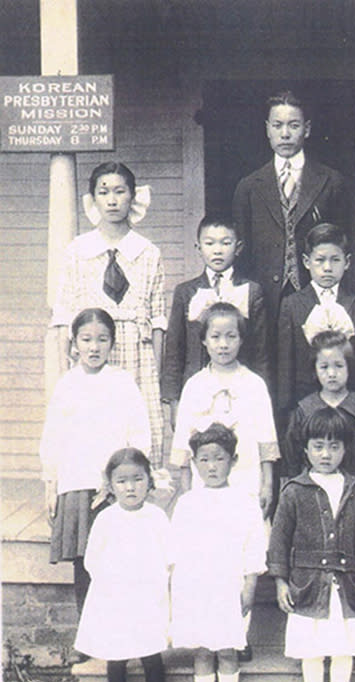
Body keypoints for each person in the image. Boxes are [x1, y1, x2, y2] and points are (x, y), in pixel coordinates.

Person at [268, 408, 355, 682]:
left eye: (334, 446)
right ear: (305, 450)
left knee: (342, 647)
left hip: (345, 586)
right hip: (307, 585)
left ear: (345, 450)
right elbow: (278, 540)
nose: (326, 454)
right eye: (318, 446)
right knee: (313, 648)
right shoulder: (294, 490)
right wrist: (280, 581)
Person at [40, 308, 151, 633]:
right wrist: (51, 484)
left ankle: (124, 631)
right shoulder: (66, 385)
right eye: (86, 340)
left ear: (112, 344)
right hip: (76, 485)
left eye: (102, 339)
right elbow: (54, 438)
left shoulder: (122, 382)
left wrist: (123, 483)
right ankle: (89, 636)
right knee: (85, 564)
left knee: (118, 560)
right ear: (74, 343)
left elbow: (138, 435)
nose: (94, 347)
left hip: (115, 489)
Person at [50, 161, 166, 467]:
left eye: (119, 191)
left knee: (138, 427)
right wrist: (66, 364)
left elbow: (157, 319)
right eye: (104, 192)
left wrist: (156, 369)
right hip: (92, 351)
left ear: (133, 197)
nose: (112, 200)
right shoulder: (77, 250)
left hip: (137, 355)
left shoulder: (148, 252)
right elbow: (64, 314)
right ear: (93, 199)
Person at [232, 90, 349, 359]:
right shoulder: (249, 186)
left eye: (293, 125)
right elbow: (242, 254)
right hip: (265, 301)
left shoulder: (331, 182)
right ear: (267, 130)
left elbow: (343, 246)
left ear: (306, 130)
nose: (285, 133)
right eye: (278, 125)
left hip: (317, 295)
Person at [170, 423, 267, 682]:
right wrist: (177, 590)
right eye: (205, 460)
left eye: (219, 459)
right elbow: (176, 551)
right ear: (195, 463)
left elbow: (254, 546)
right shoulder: (186, 504)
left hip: (230, 586)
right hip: (197, 587)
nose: (212, 467)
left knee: (227, 649)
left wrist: (250, 584)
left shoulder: (245, 501)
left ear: (233, 460)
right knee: (202, 651)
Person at [74, 448, 170, 682]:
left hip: (147, 596)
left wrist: (153, 585)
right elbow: (92, 560)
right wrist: (114, 585)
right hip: (114, 598)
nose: (130, 487)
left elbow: (168, 557)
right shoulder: (106, 519)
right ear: (111, 485)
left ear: (149, 481)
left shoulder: (156, 516)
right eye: (122, 481)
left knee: (151, 653)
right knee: (116, 656)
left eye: (138, 479)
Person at [170, 302, 279, 518]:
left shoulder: (254, 384)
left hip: (246, 475)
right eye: (215, 337)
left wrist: (267, 484)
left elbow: (266, 439)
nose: (223, 344)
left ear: (241, 339)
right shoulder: (194, 385)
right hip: (205, 479)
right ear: (204, 340)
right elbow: (183, 442)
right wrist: (187, 489)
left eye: (231, 336)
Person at [161, 213, 269, 429]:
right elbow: (174, 349)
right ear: (198, 247)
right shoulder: (186, 292)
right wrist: (174, 401)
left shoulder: (251, 291)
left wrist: (262, 399)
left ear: (238, 247)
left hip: (240, 390)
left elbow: (261, 351)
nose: (217, 250)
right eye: (209, 243)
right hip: (197, 390)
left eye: (225, 243)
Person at [277, 222, 355, 419]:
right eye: (320, 260)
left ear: (347, 262)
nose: (327, 268)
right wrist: (287, 411)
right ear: (307, 262)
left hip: (348, 405)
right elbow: (285, 365)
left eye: (335, 260)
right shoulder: (291, 305)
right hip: (306, 406)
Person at [283, 330, 355, 498]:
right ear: (314, 369)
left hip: (354, 496)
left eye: (338, 365)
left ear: (349, 367)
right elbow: (292, 463)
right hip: (313, 497)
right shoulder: (304, 410)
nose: (331, 373)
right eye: (324, 367)